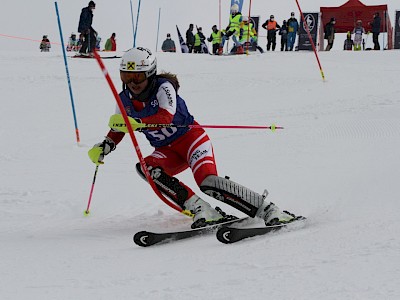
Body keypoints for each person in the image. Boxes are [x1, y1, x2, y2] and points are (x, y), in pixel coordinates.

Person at [88, 47, 300, 229]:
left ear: (150, 74)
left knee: (207, 182)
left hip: (191, 141)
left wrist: (139, 123)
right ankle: (202, 210)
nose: (133, 83)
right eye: (127, 77)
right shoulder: (123, 99)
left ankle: (270, 210)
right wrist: (106, 145)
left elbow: (165, 116)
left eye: (138, 77)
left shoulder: (164, 87)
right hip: (167, 151)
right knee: (146, 167)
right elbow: (119, 127)